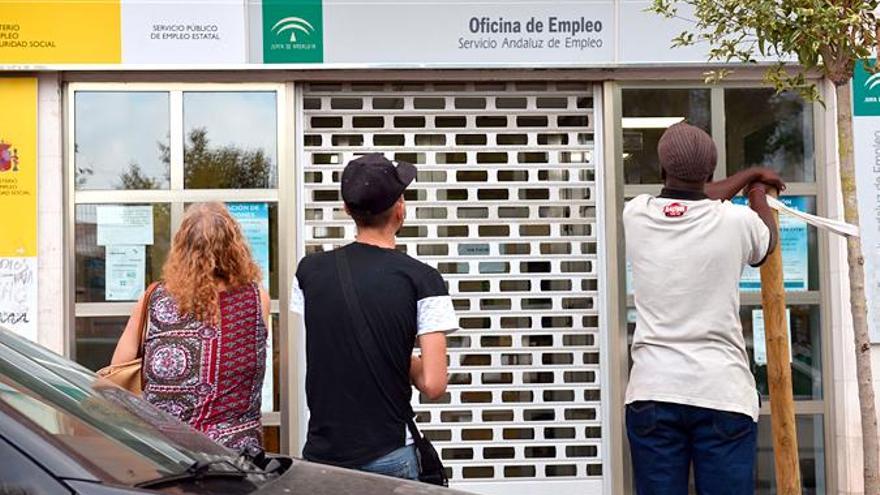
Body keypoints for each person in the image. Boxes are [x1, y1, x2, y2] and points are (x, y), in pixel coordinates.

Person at [624, 122, 785, 494]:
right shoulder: (736, 221)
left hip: (653, 391)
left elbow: (699, 193)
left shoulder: (636, 213)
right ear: (710, 172)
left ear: (662, 169)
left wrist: (747, 176)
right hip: (721, 392)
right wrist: (757, 190)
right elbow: (767, 242)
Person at [290, 153, 457, 480]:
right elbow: (434, 384)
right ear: (400, 208)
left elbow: (329, 342)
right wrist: (400, 357)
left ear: (347, 209)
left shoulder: (308, 272)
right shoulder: (422, 278)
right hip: (389, 453)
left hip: (323, 455)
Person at [111, 202, 270, 455]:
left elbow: (117, 371)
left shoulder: (154, 298)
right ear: (235, 247)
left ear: (181, 248)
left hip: (168, 454)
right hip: (236, 454)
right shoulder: (256, 298)